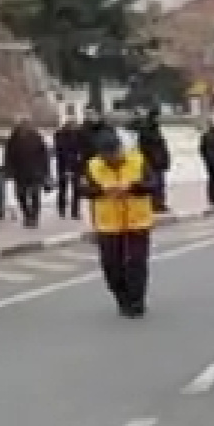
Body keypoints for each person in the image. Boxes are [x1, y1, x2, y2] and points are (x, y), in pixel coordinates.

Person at [77, 129, 157, 317]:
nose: (113, 158)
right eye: (108, 155)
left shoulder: (138, 160)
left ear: (120, 148)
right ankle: (122, 298)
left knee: (136, 264)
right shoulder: (93, 166)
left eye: (115, 152)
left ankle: (137, 302)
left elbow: (153, 184)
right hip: (108, 225)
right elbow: (83, 189)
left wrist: (132, 187)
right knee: (112, 266)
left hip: (138, 222)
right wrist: (103, 190)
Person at [2, 115, 49, 229]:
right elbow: (8, 156)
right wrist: (9, 171)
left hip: (35, 171)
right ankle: (27, 215)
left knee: (35, 195)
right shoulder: (13, 139)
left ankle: (34, 217)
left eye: (26, 123)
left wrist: (45, 171)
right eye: (22, 123)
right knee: (21, 195)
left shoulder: (36, 137)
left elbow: (44, 155)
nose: (24, 125)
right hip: (20, 172)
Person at [133, 107, 172, 212]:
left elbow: (162, 146)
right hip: (150, 161)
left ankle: (160, 204)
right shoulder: (145, 128)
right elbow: (145, 146)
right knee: (154, 184)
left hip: (158, 161)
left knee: (160, 184)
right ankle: (155, 204)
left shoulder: (155, 129)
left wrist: (166, 159)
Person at [52, 119, 84, 219]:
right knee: (63, 189)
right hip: (64, 165)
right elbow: (59, 150)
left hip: (75, 165)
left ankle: (74, 211)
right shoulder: (59, 135)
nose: (73, 127)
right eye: (72, 126)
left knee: (76, 189)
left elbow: (81, 149)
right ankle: (63, 210)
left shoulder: (78, 135)